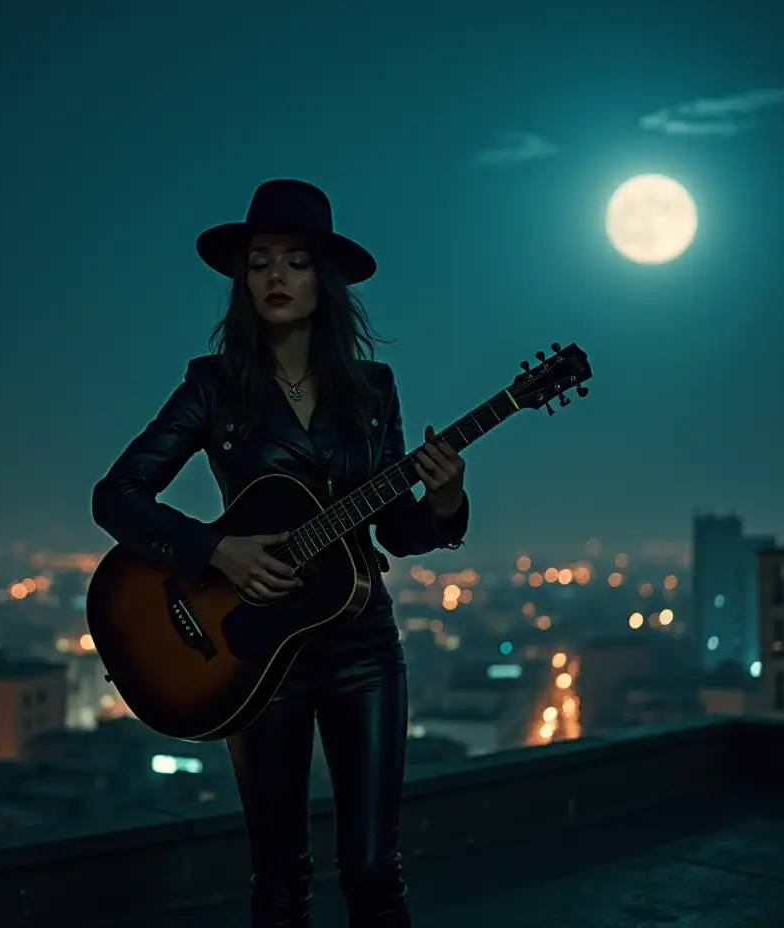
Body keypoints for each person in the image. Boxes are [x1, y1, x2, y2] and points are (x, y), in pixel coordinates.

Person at [91, 179, 470, 928]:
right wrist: (214, 552)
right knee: (280, 879)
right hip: (253, 656)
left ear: (321, 280)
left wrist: (446, 501)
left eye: (294, 262)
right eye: (260, 262)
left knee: (372, 871)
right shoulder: (213, 386)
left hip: (363, 646)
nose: (275, 277)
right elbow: (117, 496)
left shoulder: (372, 389)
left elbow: (394, 531)